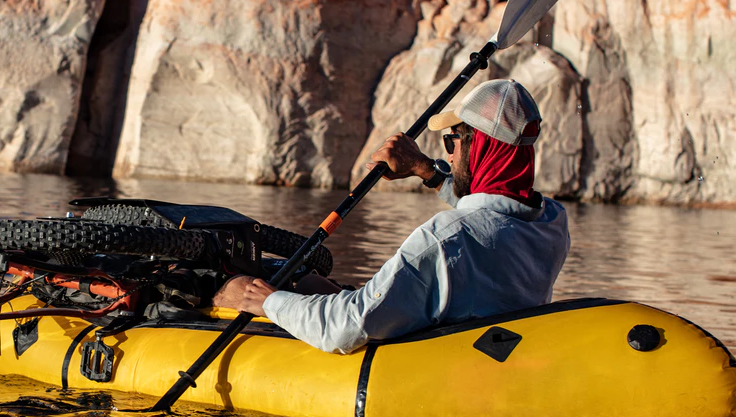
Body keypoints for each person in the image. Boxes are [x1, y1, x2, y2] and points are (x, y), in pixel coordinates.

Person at [214, 79, 570, 354]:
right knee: (308, 284)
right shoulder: (552, 222)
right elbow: (492, 212)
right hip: (486, 346)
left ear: (478, 146)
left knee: (240, 289)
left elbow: (346, 327)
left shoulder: (445, 237)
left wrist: (268, 302)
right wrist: (424, 169)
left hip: (425, 357)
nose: (450, 150)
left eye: (453, 141)